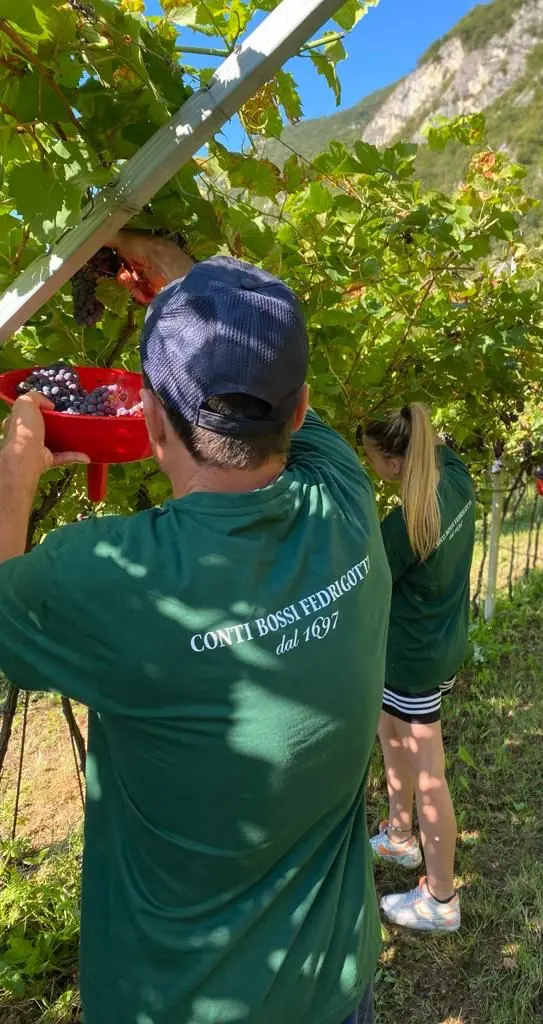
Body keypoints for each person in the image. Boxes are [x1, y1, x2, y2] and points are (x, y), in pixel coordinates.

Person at [0, 233, 391, 1024]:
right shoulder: (344, 498)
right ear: (303, 408)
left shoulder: (109, 578)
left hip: (180, 1004)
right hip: (335, 987)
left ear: (143, 416)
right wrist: (172, 282)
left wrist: (15, 476)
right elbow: (254, 355)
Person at [362, 405, 475, 932]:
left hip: (413, 660)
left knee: (430, 774)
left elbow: (364, 580)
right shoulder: (455, 474)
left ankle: (441, 899)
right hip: (439, 645)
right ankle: (400, 835)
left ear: (390, 459)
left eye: (371, 456)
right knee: (391, 735)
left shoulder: (407, 522)